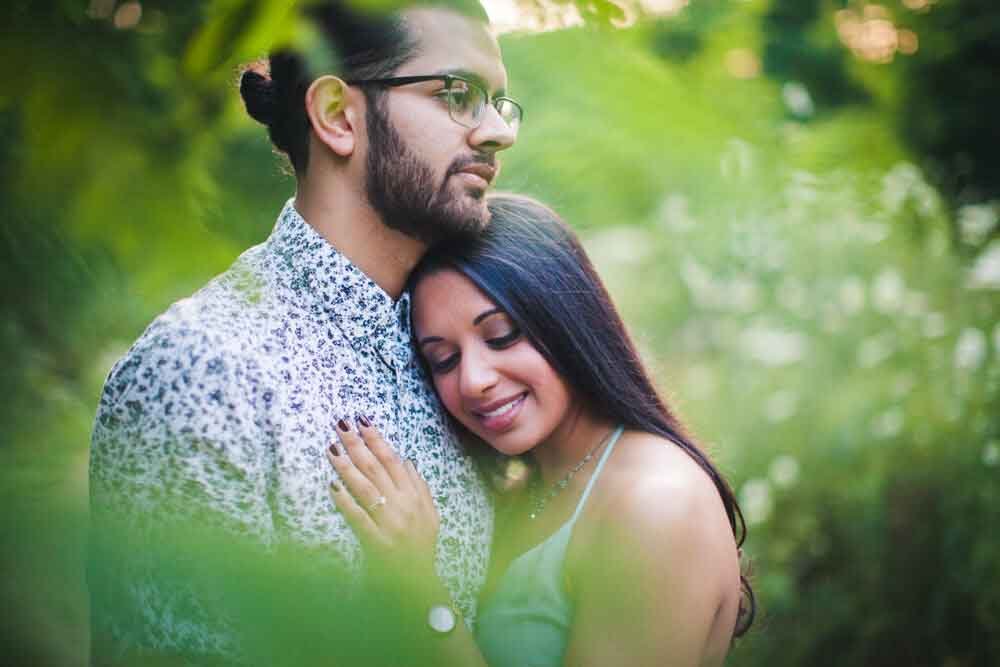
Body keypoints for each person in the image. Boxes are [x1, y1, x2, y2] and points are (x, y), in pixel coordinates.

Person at [88, 1, 519, 663]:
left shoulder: (462, 363)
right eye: (458, 94)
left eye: (498, 102)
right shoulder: (201, 370)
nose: (498, 133)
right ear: (339, 116)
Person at [326, 194, 755, 666]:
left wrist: (418, 589)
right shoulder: (526, 488)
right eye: (443, 359)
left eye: (501, 336)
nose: (474, 380)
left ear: (568, 320)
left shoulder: (655, 502)